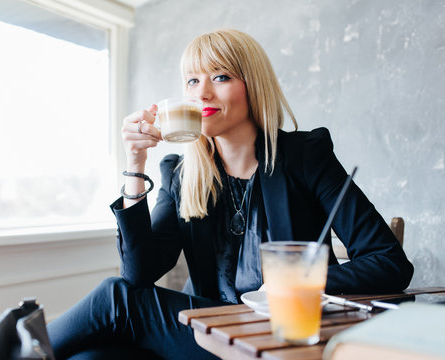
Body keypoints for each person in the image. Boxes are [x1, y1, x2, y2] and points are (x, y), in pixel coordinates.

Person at [47, 28, 413, 360]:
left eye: (220, 77)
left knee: (116, 299)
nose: (202, 92)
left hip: (279, 335)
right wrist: (135, 162)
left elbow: (389, 261)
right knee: (90, 357)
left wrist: (292, 286)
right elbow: (139, 273)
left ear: (253, 86)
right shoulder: (180, 173)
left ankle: (8, 350)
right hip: (206, 333)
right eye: (192, 81)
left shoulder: (306, 157)